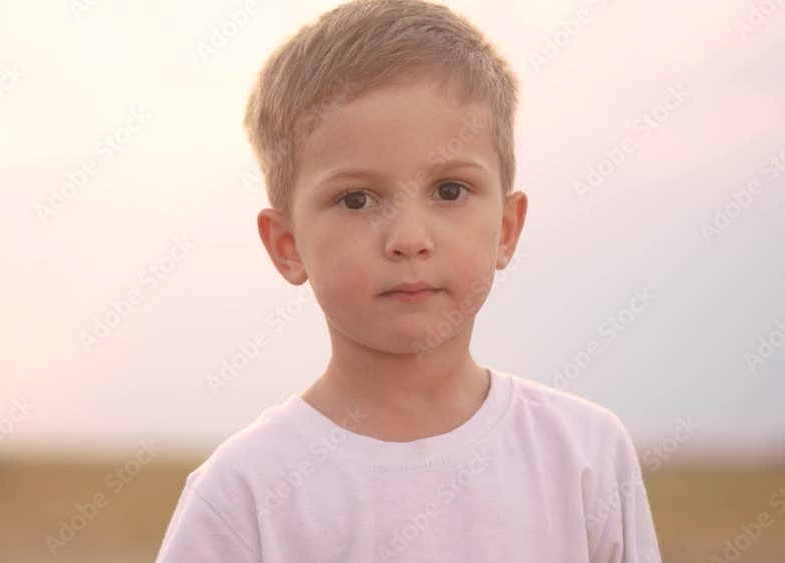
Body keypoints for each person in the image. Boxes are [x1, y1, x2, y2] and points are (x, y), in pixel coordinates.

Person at [156, 0, 662, 561]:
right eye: (356, 199)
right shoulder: (241, 495)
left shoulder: (585, 456)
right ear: (288, 245)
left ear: (506, 228)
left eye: (449, 190)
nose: (408, 237)